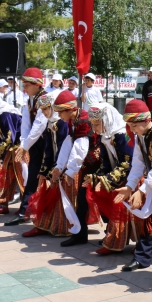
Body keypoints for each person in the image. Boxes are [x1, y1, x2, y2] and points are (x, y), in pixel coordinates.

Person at [113, 99, 152, 271]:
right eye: (130, 126)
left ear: (146, 120)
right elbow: (138, 164)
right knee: (151, 222)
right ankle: (141, 258)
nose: (131, 130)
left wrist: (141, 190)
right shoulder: (141, 136)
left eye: (133, 126)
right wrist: (130, 187)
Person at [51, 90, 101, 247]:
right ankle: (80, 234)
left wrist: (70, 171)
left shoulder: (83, 121)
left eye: (60, 113)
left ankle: (112, 236)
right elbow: (69, 142)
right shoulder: (73, 120)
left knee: (101, 200)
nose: (60, 117)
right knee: (82, 199)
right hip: (88, 166)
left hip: (97, 165)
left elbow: (80, 149)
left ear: (69, 109)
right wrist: (59, 166)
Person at [87, 101, 135, 255]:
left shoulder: (122, 135)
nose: (94, 129)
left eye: (97, 124)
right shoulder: (105, 136)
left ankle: (117, 241)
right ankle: (114, 238)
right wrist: (96, 178)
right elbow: (106, 163)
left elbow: (127, 163)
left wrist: (106, 180)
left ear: (106, 120)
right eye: (93, 124)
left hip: (132, 177)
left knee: (123, 208)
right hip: (119, 176)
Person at [22, 93, 72, 237]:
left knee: (60, 199)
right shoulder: (50, 123)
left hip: (64, 166)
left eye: (45, 109)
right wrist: (44, 170)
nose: (43, 113)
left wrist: (56, 169)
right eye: (42, 110)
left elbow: (63, 148)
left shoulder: (62, 123)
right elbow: (49, 148)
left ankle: (61, 226)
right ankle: (44, 225)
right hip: (56, 165)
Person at [4, 67, 48, 226]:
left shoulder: (44, 99)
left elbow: (40, 125)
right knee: (33, 177)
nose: (24, 88)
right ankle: (26, 211)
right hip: (37, 144)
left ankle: (41, 212)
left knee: (47, 178)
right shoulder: (30, 100)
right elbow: (26, 125)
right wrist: (24, 145)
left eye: (27, 84)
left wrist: (26, 146)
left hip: (49, 144)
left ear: (36, 84)